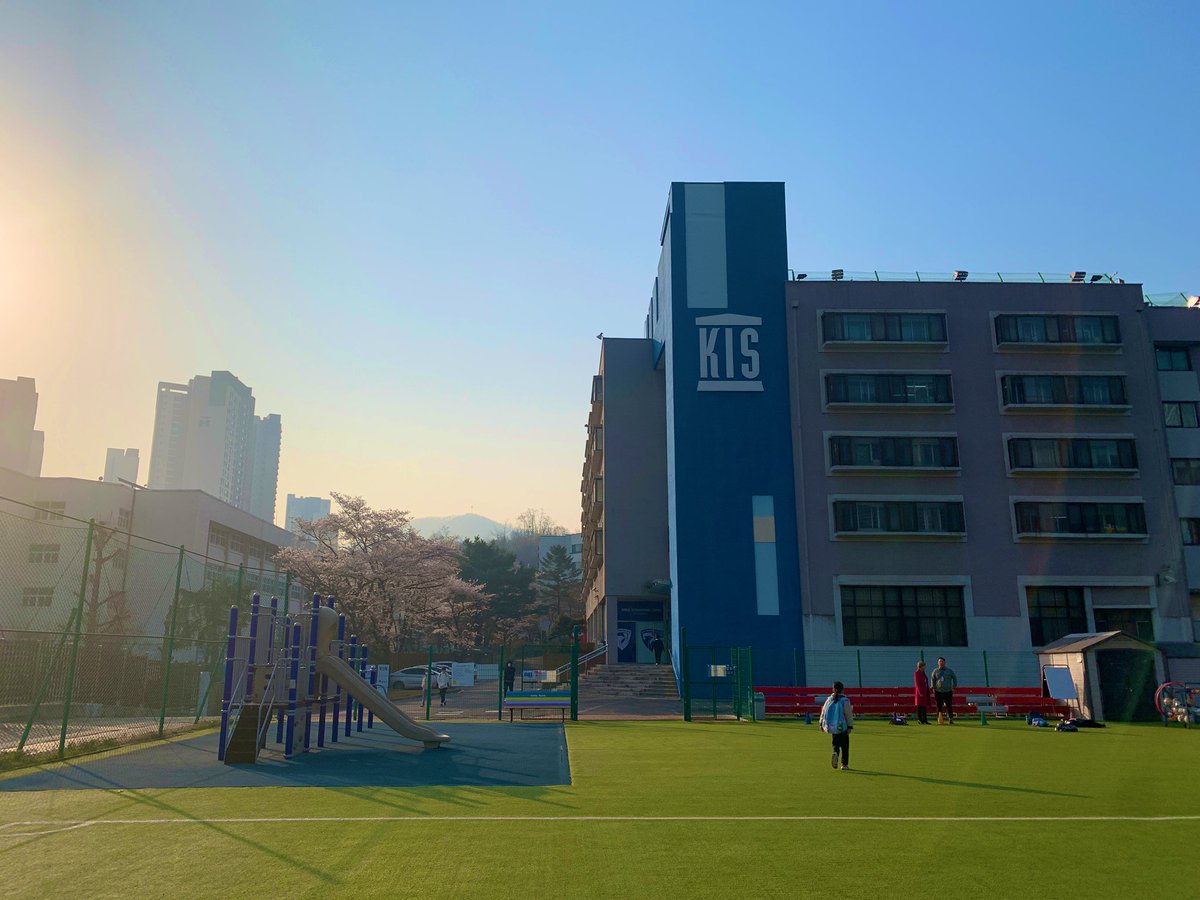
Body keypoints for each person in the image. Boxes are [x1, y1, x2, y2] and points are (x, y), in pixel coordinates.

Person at [819, 681, 854, 770]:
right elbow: (848, 714)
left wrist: (821, 723)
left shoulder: (830, 699)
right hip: (842, 726)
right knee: (845, 746)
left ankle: (835, 752)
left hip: (832, 726)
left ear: (833, 689)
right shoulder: (845, 700)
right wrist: (850, 726)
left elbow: (823, 711)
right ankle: (844, 764)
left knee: (835, 743)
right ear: (843, 689)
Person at [931, 657, 958, 723]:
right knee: (939, 706)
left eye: (942, 661)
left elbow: (954, 678)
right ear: (938, 663)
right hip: (938, 691)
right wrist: (933, 687)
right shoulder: (935, 671)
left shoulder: (949, 671)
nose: (941, 663)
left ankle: (950, 719)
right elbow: (932, 679)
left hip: (948, 691)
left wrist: (954, 687)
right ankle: (939, 718)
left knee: (949, 705)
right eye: (939, 661)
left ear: (944, 662)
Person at [914, 660, 931, 724]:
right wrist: (920, 692)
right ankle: (920, 719)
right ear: (921, 666)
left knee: (924, 706)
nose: (925, 667)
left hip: (924, 691)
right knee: (919, 706)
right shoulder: (917, 673)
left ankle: (925, 719)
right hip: (920, 692)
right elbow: (917, 683)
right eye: (924, 666)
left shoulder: (923, 673)